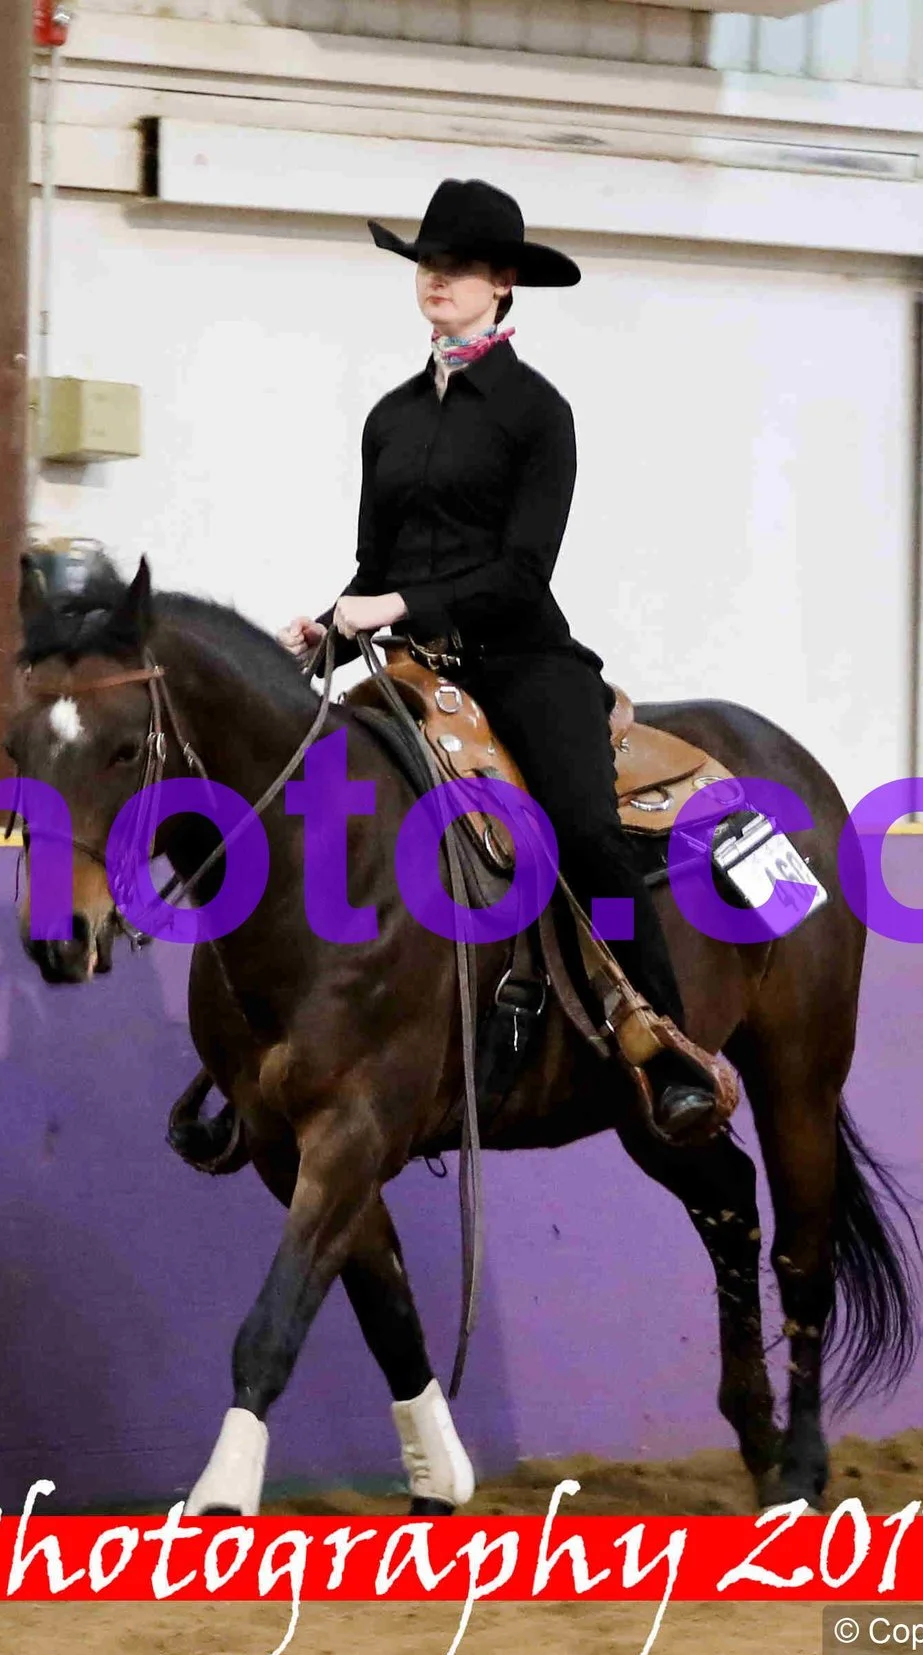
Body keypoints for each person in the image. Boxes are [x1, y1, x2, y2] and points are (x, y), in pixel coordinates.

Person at [277, 177, 725, 1140]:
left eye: (460, 265)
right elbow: (375, 567)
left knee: (585, 828)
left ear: (503, 284)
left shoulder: (538, 412)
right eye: (427, 262)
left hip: (523, 660)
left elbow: (523, 572)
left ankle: (666, 1041)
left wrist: (395, 606)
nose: (437, 277)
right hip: (415, 668)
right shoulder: (390, 417)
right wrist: (327, 631)